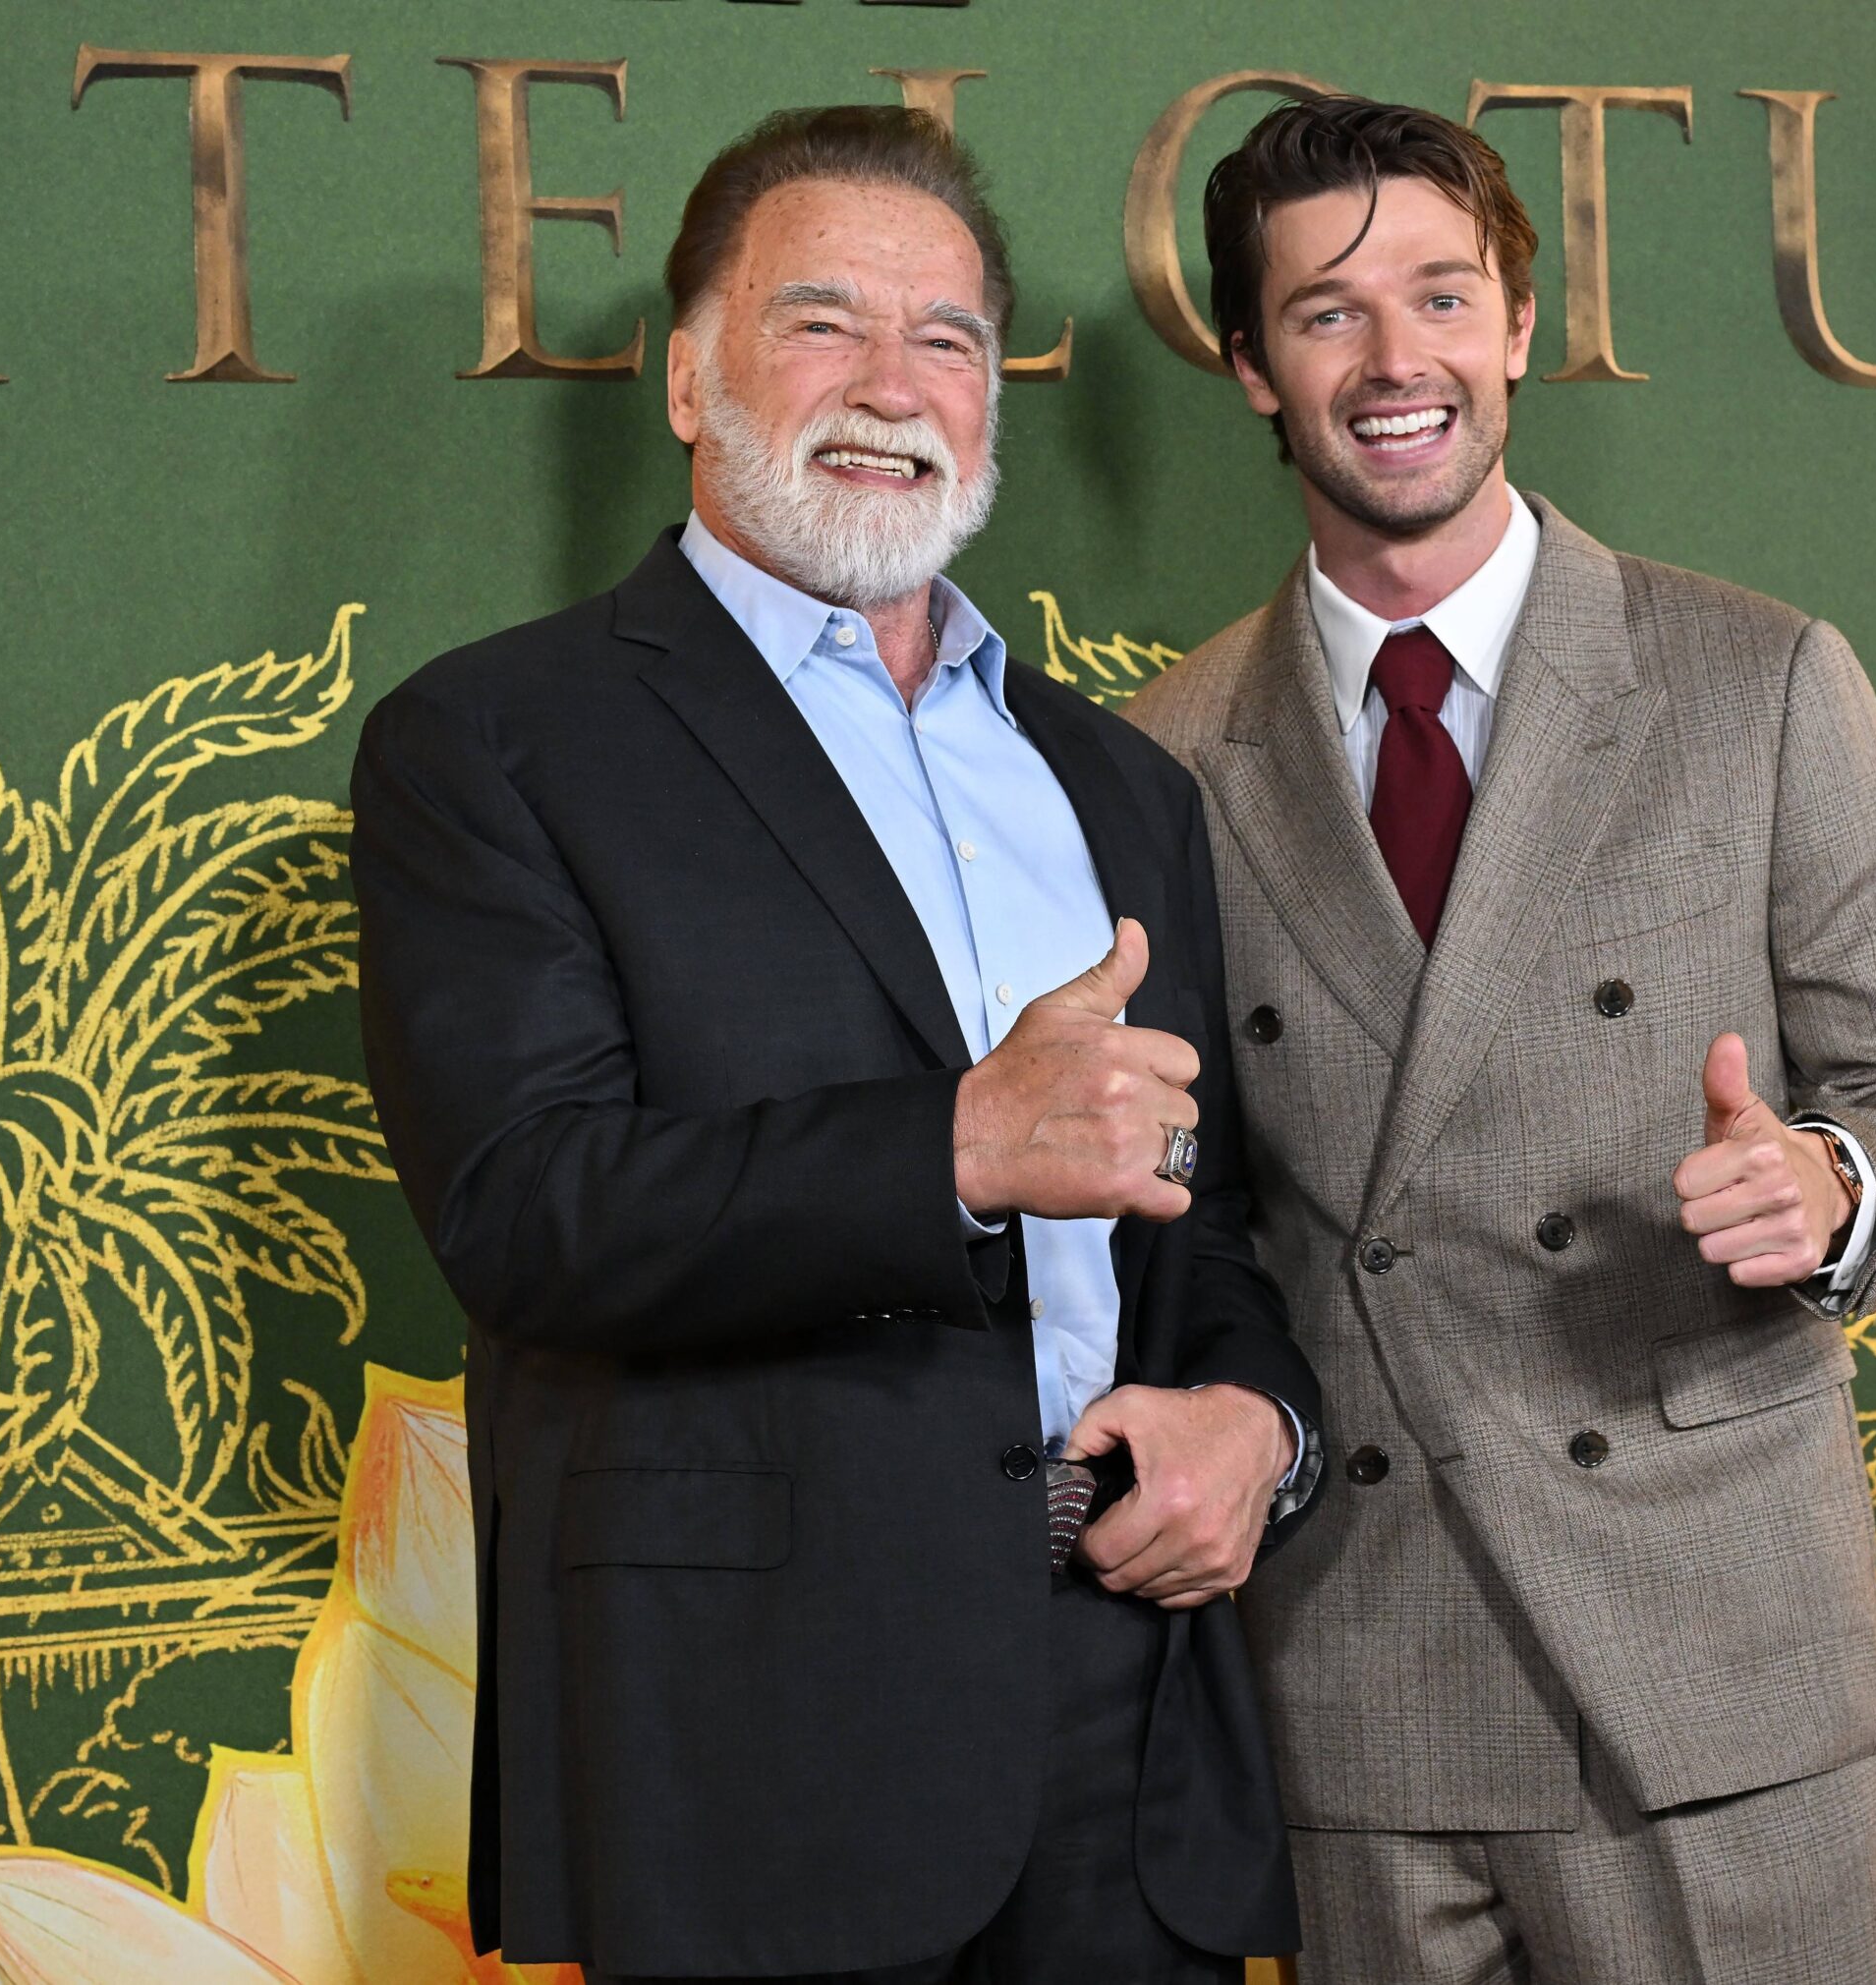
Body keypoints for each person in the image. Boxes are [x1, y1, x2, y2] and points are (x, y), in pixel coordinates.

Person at [352, 105, 1321, 1985]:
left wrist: (1257, 1427)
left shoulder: (1118, 783)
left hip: (1130, 1723)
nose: (894, 385)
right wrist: (957, 1146)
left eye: (949, 340)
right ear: (687, 378)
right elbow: (523, 1208)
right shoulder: (495, 745)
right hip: (751, 1752)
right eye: (822, 323)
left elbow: (1208, 1232)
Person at [1125, 96, 1876, 1985]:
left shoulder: (1757, 677)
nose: (1397, 362)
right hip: (1359, 1675)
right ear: (1251, 368)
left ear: (1518, 328)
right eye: (1327, 314)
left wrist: (1838, 1189)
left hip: (1712, 1670)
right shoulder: (1158, 758)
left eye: (1442, 297)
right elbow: (1170, 1221)